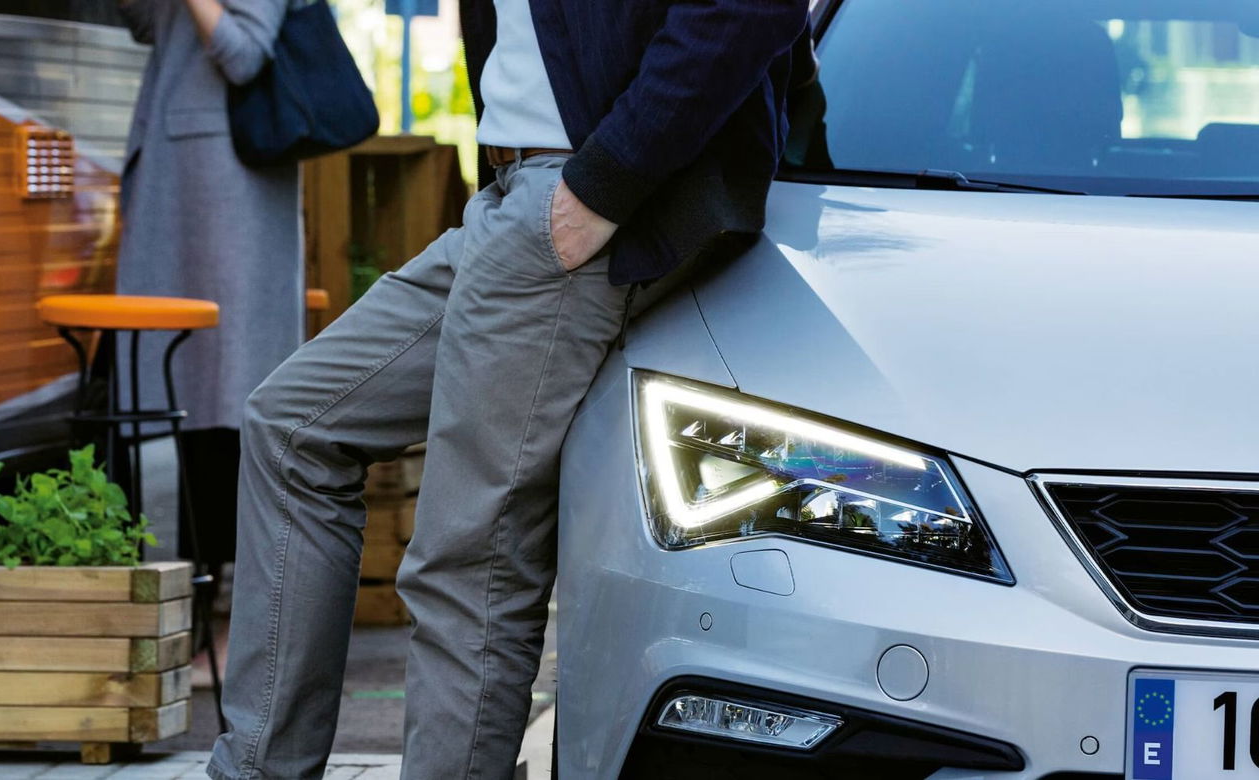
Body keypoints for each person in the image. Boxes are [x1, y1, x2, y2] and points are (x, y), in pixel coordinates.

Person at [209, 0, 813, 777]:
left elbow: (747, 9)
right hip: (515, 201)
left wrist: (606, 184)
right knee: (293, 427)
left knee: (470, 555)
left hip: (578, 196)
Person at [117, 0, 302, 563]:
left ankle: (221, 606)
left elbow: (245, 54)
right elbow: (144, 24)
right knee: (183, 378)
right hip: (180, 175)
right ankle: (188, 594)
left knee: (226, 382)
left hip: (228, 188)